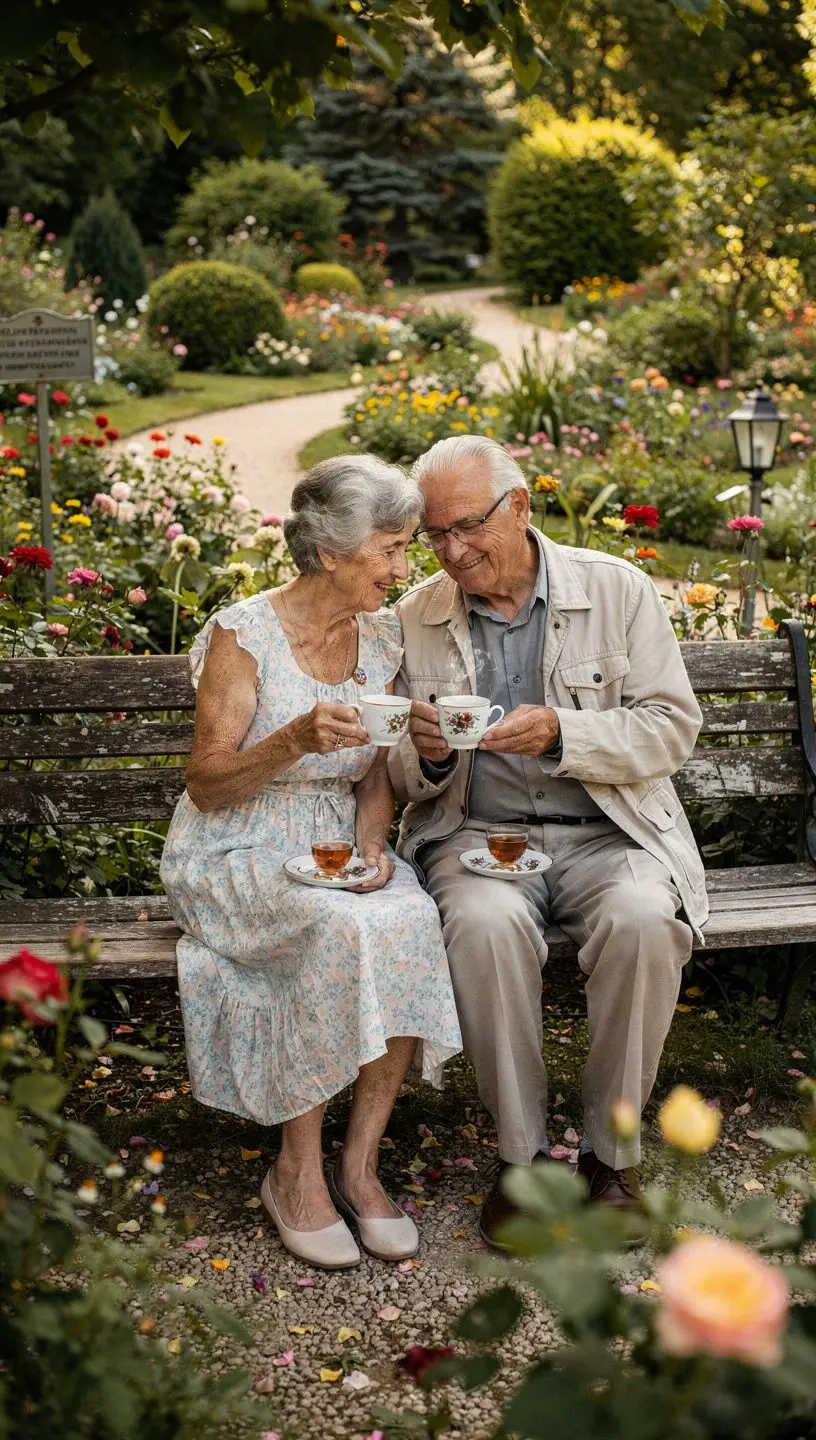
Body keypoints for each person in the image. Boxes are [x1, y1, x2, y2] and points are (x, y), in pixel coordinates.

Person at [388, 434, 707, 1247]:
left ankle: (611, 1162)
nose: (452, 552)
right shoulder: (415, 617)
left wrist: (565, 733)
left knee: (644, 921)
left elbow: (671, 729)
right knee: (484, 926)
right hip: (478, 835)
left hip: (609, 831)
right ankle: (523, 1160)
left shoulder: (617, 589)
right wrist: (421, 753)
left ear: (520, 507)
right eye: (434, 535)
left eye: (467, 527)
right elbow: (390, 766)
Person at [161, 456, 461, 1270]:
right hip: (235, 846)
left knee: (407, 914)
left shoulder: (382, 633)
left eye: (405, 548)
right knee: (332, 928)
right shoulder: (243, 634)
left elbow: (372, 771)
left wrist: (372, 846)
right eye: (392, 549)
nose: (406, 568)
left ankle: (359, 1168)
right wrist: (293, 739)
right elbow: (207, 783)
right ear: (330, 553)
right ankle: (296, 1172)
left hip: (334, 840)